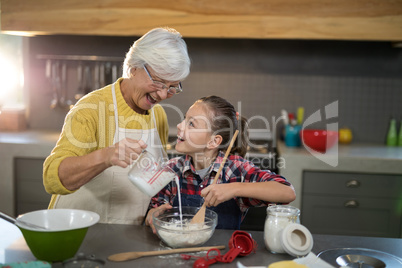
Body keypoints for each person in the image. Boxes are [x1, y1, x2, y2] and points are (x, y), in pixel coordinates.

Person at [43, 27, 191, 224]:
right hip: (76, 232)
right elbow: (52, 178)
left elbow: (149, 183)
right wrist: (106, 156)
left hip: (127, 237)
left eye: (173, 87)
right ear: (133, 69)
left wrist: (154, 210)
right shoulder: (91, 109)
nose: (163, 95)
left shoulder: (158, 116)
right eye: (158, 82)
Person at [145, 96, 296, 231]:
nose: (179, 125)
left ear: (213, 141)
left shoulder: (235, 169)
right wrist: (153, 214)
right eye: (185, 119)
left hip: (223, 256)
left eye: (191, 123)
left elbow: (287, 192)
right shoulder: (171, 169)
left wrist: (234, 188)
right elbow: (155, 209)